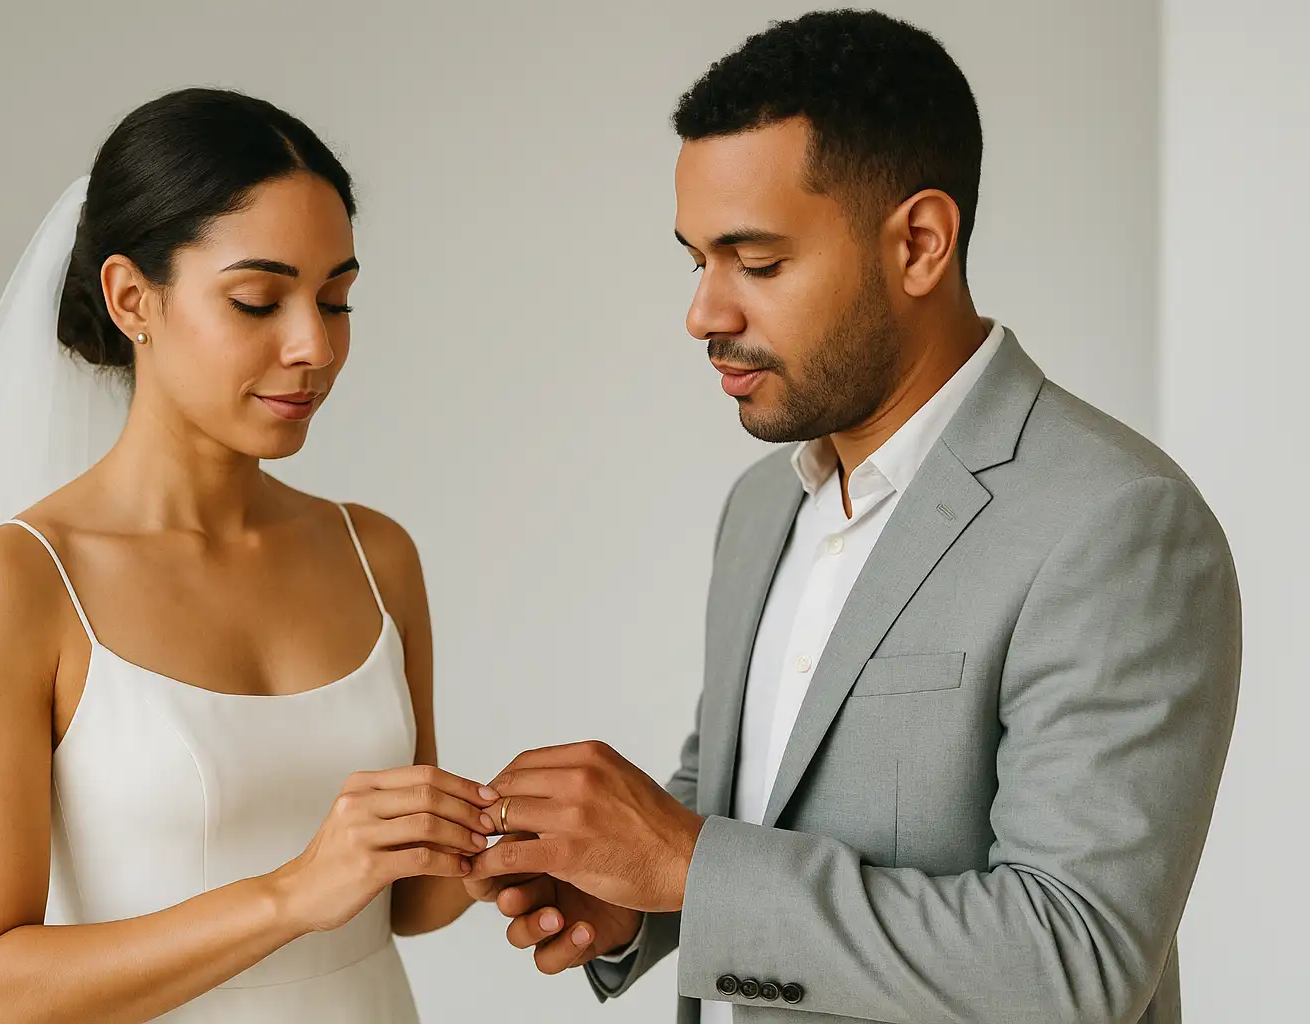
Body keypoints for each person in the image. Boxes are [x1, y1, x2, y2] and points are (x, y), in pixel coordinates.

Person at [466, 11, 1241, 1023]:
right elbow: (739, 803)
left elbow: (1074, 964)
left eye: (757, 260)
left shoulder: (1118, 524)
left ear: (920, 242)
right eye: (696, 258)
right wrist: (629, 900)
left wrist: (691, 866)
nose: (703, 312)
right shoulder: (759, 507)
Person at [0, 88, 497, 1023]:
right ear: (133, 297)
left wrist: (508, 837)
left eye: (335, 299)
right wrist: (289, 894)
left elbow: (407, 904)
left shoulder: (376, 555)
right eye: (258, 300)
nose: (314, 346)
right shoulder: (11, 587)